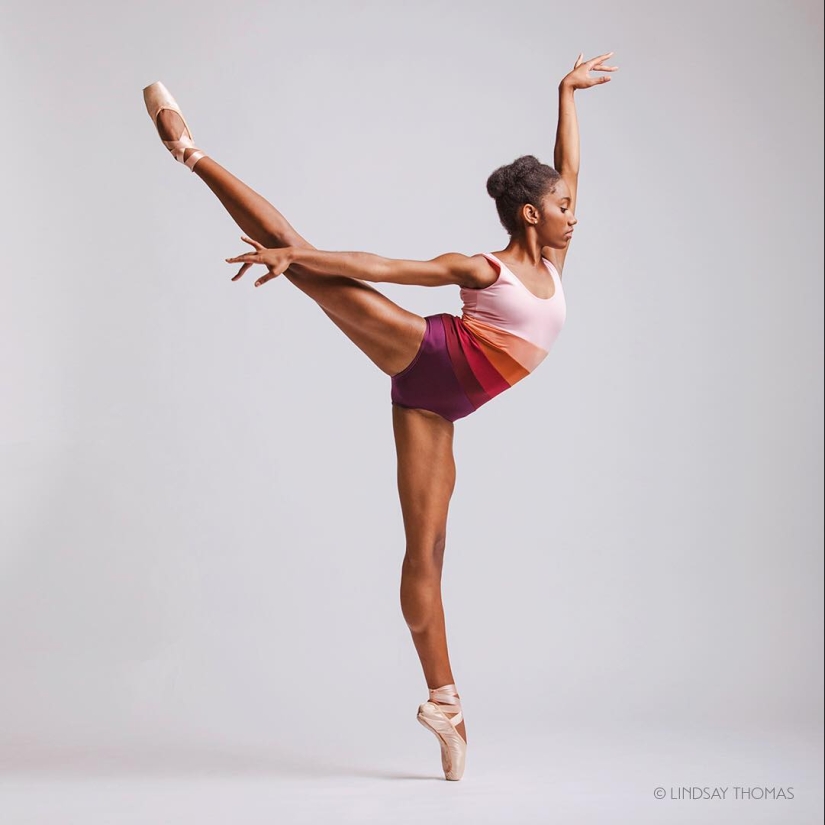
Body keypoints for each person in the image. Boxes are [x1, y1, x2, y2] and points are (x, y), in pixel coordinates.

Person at [142, 50, 617, 782]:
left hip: (438, 407)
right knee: (306, 266)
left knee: (425, 556)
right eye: (560, 206)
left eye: (568, 203)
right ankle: (190, 152)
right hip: (428, 354)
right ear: (531, 214)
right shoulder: (480, 267)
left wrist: (565, 94)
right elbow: (384, 265)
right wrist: (297, 257)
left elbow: (566, 164)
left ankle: (443, 701)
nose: (573, 213)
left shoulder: (553, 261)